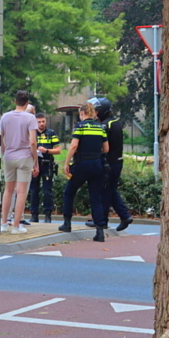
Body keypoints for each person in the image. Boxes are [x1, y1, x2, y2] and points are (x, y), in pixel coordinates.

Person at [59, 101, 109, 242]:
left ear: (82, 113)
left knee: (69, 192)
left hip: (81, 164)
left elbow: (74, 145)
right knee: (96, 198)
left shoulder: (79, 126)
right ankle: (99, 231)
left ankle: (67, 223)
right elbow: (106, 149)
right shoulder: (100, 128)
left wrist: (66, 162)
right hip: (97, 165)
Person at [85, 97, 134, 232]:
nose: (94, 113)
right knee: (110, 190)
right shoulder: (115, 122)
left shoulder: (106, 125)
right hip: (117, 161)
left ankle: (103, 221)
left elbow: (99, 143)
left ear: (102, 111)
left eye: (96, 111)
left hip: (109, 163)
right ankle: (123, 216)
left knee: (105, 191)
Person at [0, 91, 39, 233]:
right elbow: (32, 142)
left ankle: (3, 223)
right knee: (22, 192)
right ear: (27, 103)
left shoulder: (5, 117)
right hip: (25, 156)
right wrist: (35, 161)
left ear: (14, 101)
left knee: (8, 190)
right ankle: (16, 226)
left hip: (9, 156)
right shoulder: (30, 118)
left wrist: (5, 151)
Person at [29, 112, 62, 223]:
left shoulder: (51, 133)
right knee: (34, 190)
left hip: (47, 164)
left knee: (47, 191)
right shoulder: (32, 133)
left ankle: (48, 215)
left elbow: (58, 150)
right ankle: (34, 215)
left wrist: (47, 150)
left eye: (43, 121)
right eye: (39, 122)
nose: (41, 124)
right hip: (34, 163)